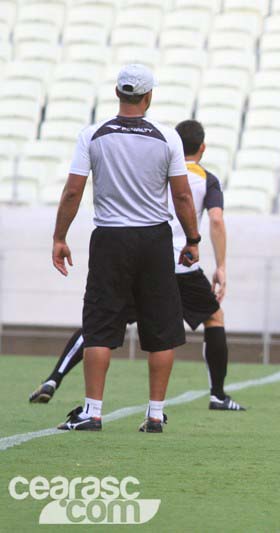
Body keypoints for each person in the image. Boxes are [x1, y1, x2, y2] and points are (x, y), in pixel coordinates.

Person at [31, 120, 245, 412]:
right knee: (208, 320)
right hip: (182, 265)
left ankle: (56, 378)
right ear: (203, 148)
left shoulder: (154, 168)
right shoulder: (206, 179)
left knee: (99, 325)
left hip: (143, 259)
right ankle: (213, 395)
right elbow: (216, 220)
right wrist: (220, 265)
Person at [51, 64, 201, 433]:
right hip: (154, 237)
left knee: (100, 326)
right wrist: (193, 240)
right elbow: (181, 194)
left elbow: (73, 191)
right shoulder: (168, 137)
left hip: (111, 237)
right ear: (148, 97)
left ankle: (93, 411)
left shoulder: (93, 135)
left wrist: (60, 237)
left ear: (118, 94)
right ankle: (154, 413)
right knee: (162, 327)